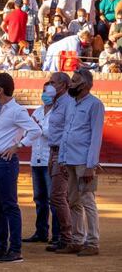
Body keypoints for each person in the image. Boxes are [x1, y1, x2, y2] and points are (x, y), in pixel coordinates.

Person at [0, 73, 41, 263]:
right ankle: (0, 247)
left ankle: (16, 250)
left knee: (9, 206)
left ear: (0, 90)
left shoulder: (17, 111)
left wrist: (18, 145)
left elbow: (36, 130)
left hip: (5, 163)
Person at [57, 69, 104, 256]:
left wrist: (91, 165)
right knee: (73, 200)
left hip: (84, 161)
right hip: (69, 158)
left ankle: (92, 242)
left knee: (87, 200)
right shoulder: (71, 104)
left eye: (75, 81)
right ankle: (77, 240)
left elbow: (96, 137)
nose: (71, 84)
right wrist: (61, 158)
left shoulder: (95, 105)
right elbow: (66, 132)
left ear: (84, 85)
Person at [22, 83, 60, 244]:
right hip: (36, 160)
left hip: (49, 159)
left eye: (47, 91)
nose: (44, 94)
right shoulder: (37, 111)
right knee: (39, 198)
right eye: (43, 91)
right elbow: (26, 132)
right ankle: (41, 232)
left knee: (54, 198)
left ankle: (57, 235)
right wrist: (34, 129)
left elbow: (53, 134)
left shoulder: (58, 112)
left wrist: (38, 129)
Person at [45, 72, 74, 252]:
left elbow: (68, 131)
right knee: (58, 196)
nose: (49, 85)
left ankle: (67, 237)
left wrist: (62, 156)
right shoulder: (57, 103)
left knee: (58, 196)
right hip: (53, 152)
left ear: (63, 85)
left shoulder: (67, 103)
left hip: (61, 153)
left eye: (53, 82)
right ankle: (64, 237)